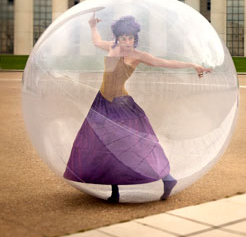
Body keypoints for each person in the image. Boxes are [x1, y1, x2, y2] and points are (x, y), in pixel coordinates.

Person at [63, 14, 211, 203]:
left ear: (135, 38)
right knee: (103, 144)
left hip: (121, 105)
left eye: (130, 38)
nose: (127, 42)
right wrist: (92, 26)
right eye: (123, 38)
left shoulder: (138, 56)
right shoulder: (112, 47)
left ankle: (167, 178)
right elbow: (96, 41)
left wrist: (193, 65)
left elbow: (165, 63)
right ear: (118, 38)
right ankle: (115, 192)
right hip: (101, 102)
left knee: (130, 145)